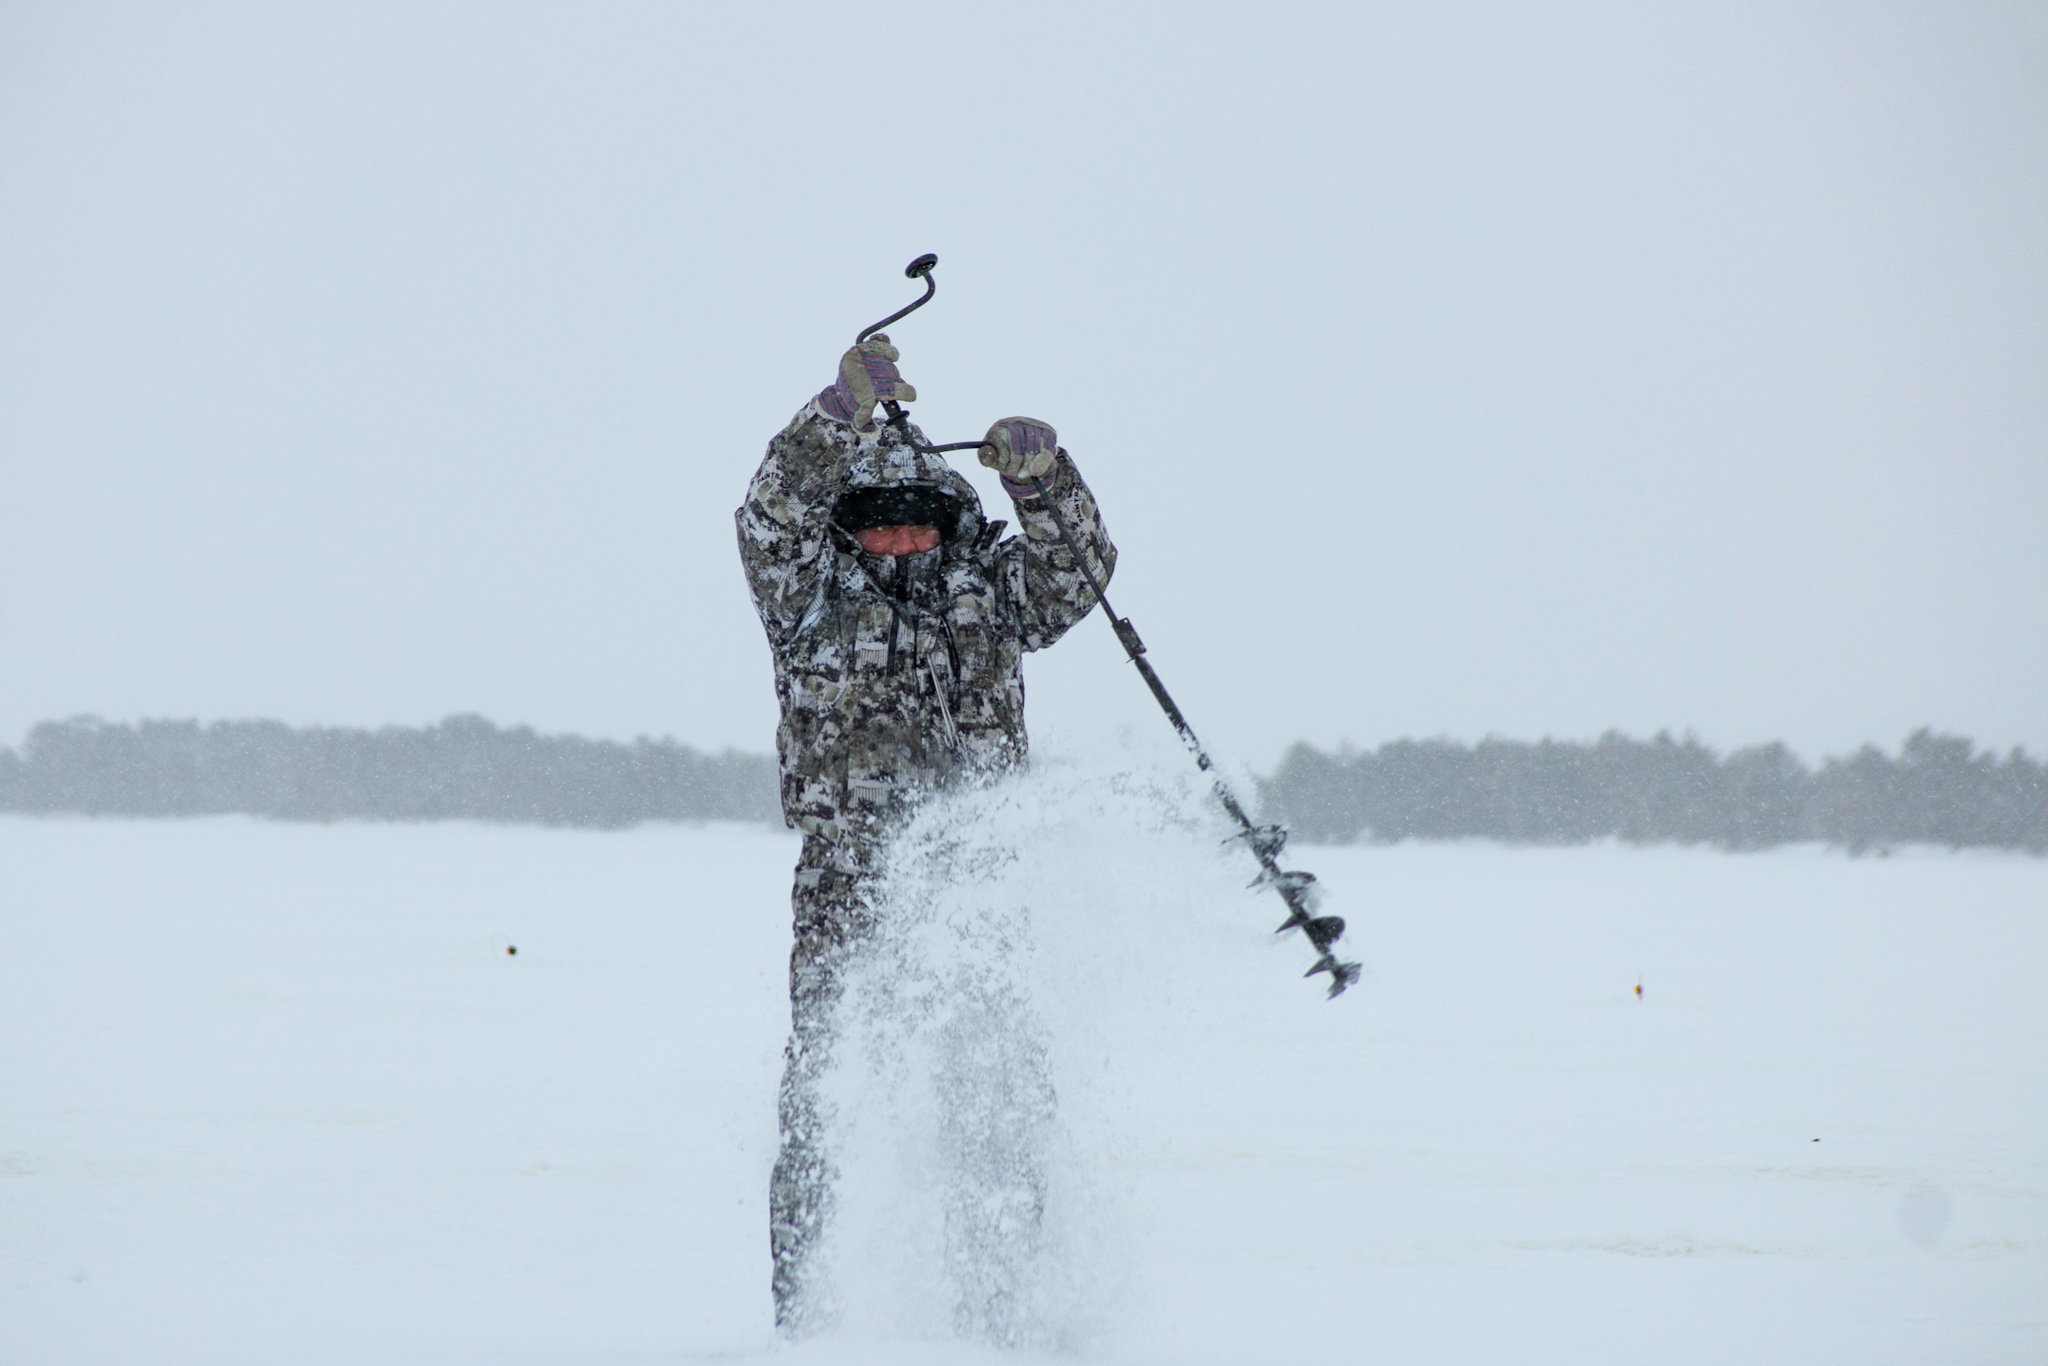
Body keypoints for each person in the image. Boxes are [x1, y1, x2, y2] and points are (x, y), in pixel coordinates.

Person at [735, 334, 1116, 1330]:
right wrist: (833, 417)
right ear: (849, 529)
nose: (901, 542)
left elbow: (1078, 576)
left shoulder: (986, 593)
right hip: (846, 886)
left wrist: (1043, 481)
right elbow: (766, 515)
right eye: (878, 527)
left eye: (920, 526)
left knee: (991, 1102)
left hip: (973, 887)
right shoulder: (804, 596)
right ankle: (811, 1322)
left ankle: (1004, 1317)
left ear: (949, 525)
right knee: (828, 1102)